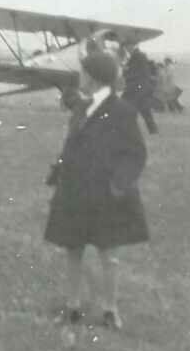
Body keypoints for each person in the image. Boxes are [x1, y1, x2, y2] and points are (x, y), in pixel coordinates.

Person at [44, 50, 149, 330]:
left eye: (83, 72)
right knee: (72, 250)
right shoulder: (81, 107)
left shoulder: (123, 111)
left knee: (109, 256)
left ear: (92, 77)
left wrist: (118, 185)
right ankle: (72, 307)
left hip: (106, 196)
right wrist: (59, 171)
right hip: (75, 191)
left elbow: (136, 154)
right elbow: (71, 144)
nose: (80, 77)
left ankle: (110, 310)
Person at [121, 45, 159, 134]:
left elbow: (132, 72)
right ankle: (153, 130)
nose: (127, 50)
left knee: (127, 109)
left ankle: (127, 130)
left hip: (136, 88)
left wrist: (124, 72)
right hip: (143, 88)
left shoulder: (136, 56)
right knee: (145, 110)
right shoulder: (140, 56)